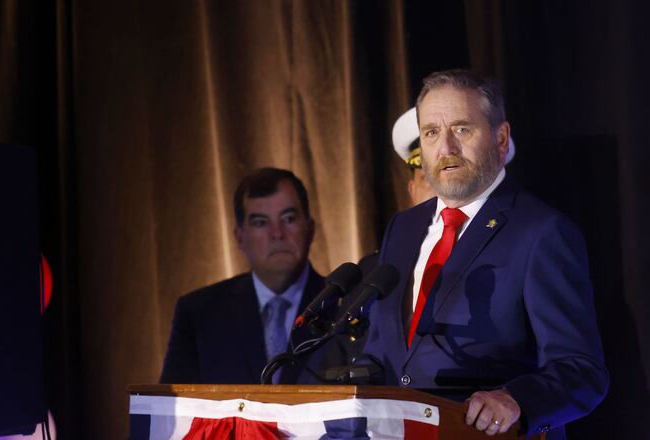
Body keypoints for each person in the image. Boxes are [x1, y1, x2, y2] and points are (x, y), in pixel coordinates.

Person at [361, 70, 608, 439]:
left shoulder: (541, 231)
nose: (445, 148)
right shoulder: (403, 228)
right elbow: (383, 353)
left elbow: (582, 370)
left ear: (501, 137)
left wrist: (516, 400)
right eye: (431, 132)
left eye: (461, 129)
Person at [160, 167, 325, 384]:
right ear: (239, 237)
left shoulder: (346, 307)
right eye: (260, 222)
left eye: (288, 218)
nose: (277, 233)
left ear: (310, 229)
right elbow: (171, 412)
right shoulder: (199, 314)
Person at [392, 106, 517, 207]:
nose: (445, 190)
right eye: (429, 179)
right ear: (412, 191)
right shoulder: (399, 232)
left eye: (456, 176)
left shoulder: (526, 229)